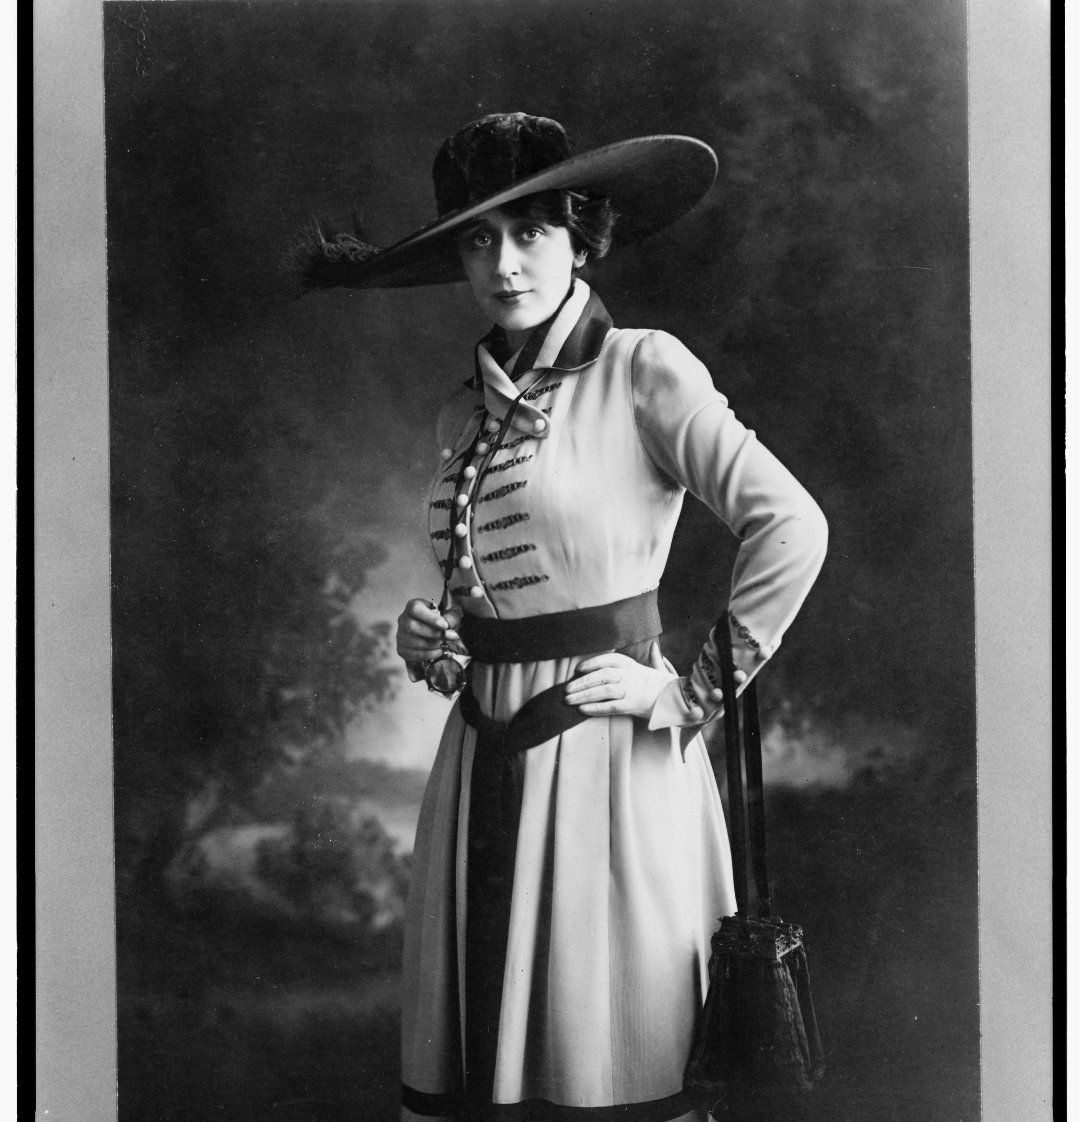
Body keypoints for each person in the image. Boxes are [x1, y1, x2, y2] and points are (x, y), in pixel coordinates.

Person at [299, 112, 828, 1122]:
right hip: (481, 765)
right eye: (478, 239)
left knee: (609, 1061)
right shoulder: (463, 413)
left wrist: (691, 688)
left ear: (583, 235)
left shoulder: (643, 370)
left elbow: (792, 526)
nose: (504, 263)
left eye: (533, 231)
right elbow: (498, 590)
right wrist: (444, 639)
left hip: (608, 762)